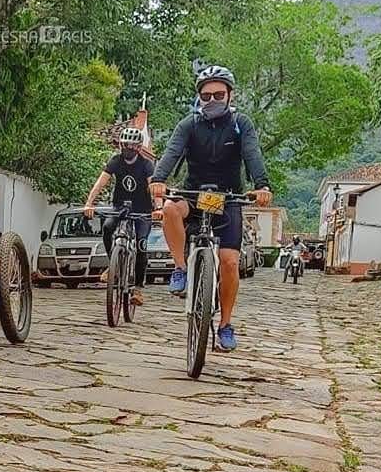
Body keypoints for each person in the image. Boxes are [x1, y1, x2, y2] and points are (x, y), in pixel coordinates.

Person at [149, 65, 272, 352]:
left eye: (219, 94)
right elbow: (172, 152)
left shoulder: (241, 124)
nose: (212, 100)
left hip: (228, 199)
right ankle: (180, 269)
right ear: (198, 98)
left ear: (230, 95)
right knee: (169, 209)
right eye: (206, 96)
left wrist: (263, 186)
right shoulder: (188, 125)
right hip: (193, 193)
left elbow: (252, 155)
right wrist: (158, 179)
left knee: (229, 261)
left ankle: (226, 324)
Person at [83, 126, 154, 306]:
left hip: (142, 210)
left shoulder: (146, 165)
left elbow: (153, 187)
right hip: (119, 206)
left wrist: (158, 207)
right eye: (125, 145)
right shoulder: (116, 161)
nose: (128, 149)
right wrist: (89, 203)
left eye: (132, 146)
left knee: (141, 245)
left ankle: (138, 288)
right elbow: (101, 182)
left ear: (138, 148)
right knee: (107, 227)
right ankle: (112, 266)